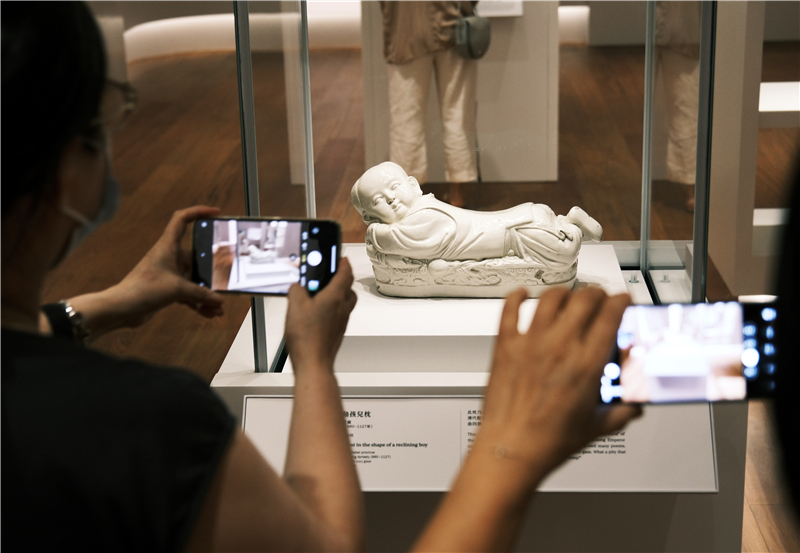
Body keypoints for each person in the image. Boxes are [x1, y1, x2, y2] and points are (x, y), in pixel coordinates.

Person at [2, 3, 641, 551]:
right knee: (524, 225)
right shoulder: (150, 424)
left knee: (526, 218)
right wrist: (508, 446)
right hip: (467, 243)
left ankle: (553, 230)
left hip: (474, 231)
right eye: (107, 122)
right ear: (65, 169)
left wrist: (93, 309)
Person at [352, 161, 603, 269]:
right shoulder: (422, 211)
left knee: (565, 255)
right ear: (370, 216)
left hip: (515, 233)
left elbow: (391, 239)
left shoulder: (423, 216)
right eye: (378, 201)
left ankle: (572, 225)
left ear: (413, 185)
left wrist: (373, 232)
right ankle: (563, 221)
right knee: (559, 251)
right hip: (520, 221)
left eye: (394, 187)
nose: (391, 198)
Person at [380, 1, 479, 207]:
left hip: (405, 29)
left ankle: (409, 199)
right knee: (458, 115)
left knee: (406, 120)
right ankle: (457, 196)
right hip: (455, 26)